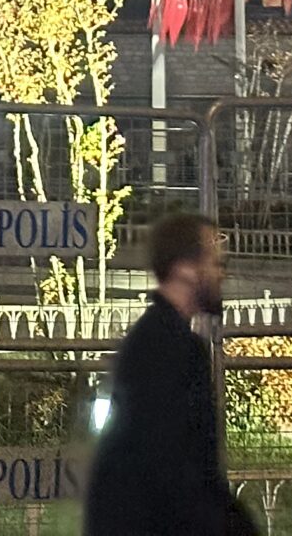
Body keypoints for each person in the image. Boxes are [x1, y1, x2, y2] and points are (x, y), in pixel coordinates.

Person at [85, 210, 251, 536]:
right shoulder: (170, 349)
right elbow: (176, 473)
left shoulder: (158, 339)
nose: (222, 274)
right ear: (185, 269)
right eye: (215, 262)